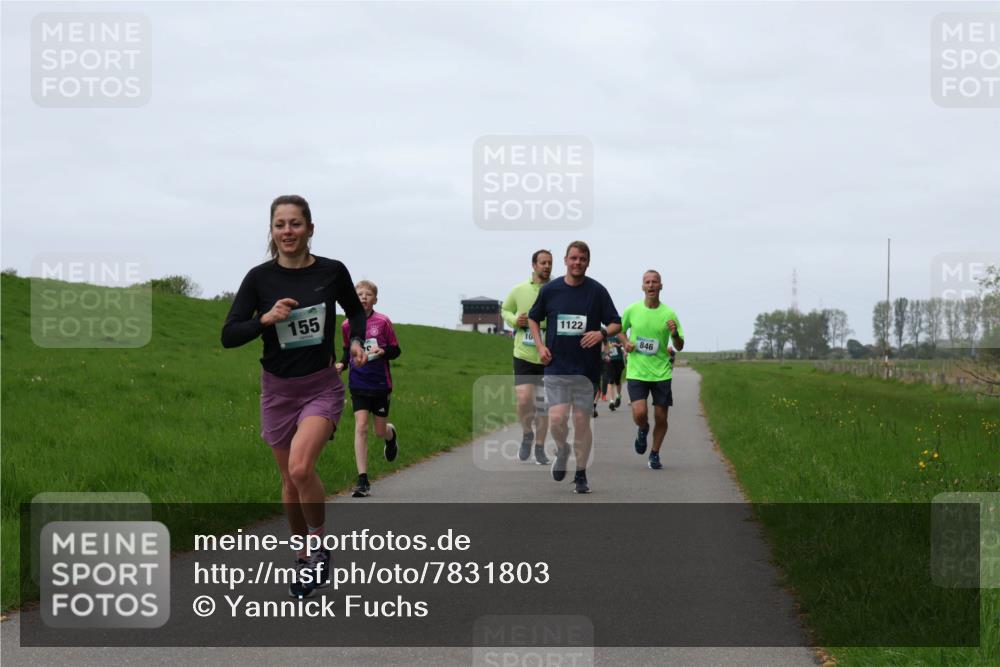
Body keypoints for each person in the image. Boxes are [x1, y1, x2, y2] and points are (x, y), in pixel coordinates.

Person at [222, 194, 366, 598]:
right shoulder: (258, 279)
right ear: (272, 231)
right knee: (288, 481)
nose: (288, 231)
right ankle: (303, 559)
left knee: (302, 469)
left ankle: (320, 548)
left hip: (320, 386)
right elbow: (229, 334)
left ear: (310, 229)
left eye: (295, 224)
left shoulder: (332, 272)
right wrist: (265, 319)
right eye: (280, 224)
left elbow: (355, 311)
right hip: (277, 392)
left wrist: (355, 340)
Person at [528, 241, 621, 494]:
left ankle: (581, 473)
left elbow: (616, 323)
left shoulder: (597, 291)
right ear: (566, 260)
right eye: (573, 258)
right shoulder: (551, 290)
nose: (577, 263)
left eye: (582, 259)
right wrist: (539, 346)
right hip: (556, 366)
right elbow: (533, 318)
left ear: (588, 262)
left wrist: (601, 334)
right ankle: (562, 449)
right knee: (557, 419)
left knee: (581, 422)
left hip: (586, 370)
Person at [335, 280, 401, 497]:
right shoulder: (347, 325)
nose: (363, 297)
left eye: (368, 294)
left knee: (379, 431)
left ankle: (391, 436)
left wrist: (383, 352)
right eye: (359, 294)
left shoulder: (383, 322)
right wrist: (342, 365)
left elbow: (395, 350)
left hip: (380, 383)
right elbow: (347, 351)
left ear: (375, 299)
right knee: (361, 426)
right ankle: (363, 480)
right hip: (358, 383)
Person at [619, 270, 685, 470]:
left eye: (654, 282)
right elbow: (619, 331)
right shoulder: (632, 310)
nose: (651, 285)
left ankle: (655, 453)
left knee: (661, 417)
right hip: (637, 371)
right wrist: (626, 343)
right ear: (642, 287)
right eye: (647, 282)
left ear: (661, 286)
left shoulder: (669, 314)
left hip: (661, 372)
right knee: (640, 413)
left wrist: (674, 334)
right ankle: (643, 428)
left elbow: (680, 345)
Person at [501, 250, 553, 465]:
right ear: (534, 265)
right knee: (524, 399)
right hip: (523, 352)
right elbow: (505, 309)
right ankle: (526, 434)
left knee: (542, 404)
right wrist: (515, 320)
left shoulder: (556, 290)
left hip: (548, 354)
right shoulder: (519, 290)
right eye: (543, 263)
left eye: (550, 263)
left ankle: (540, 447)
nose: (547, 267)